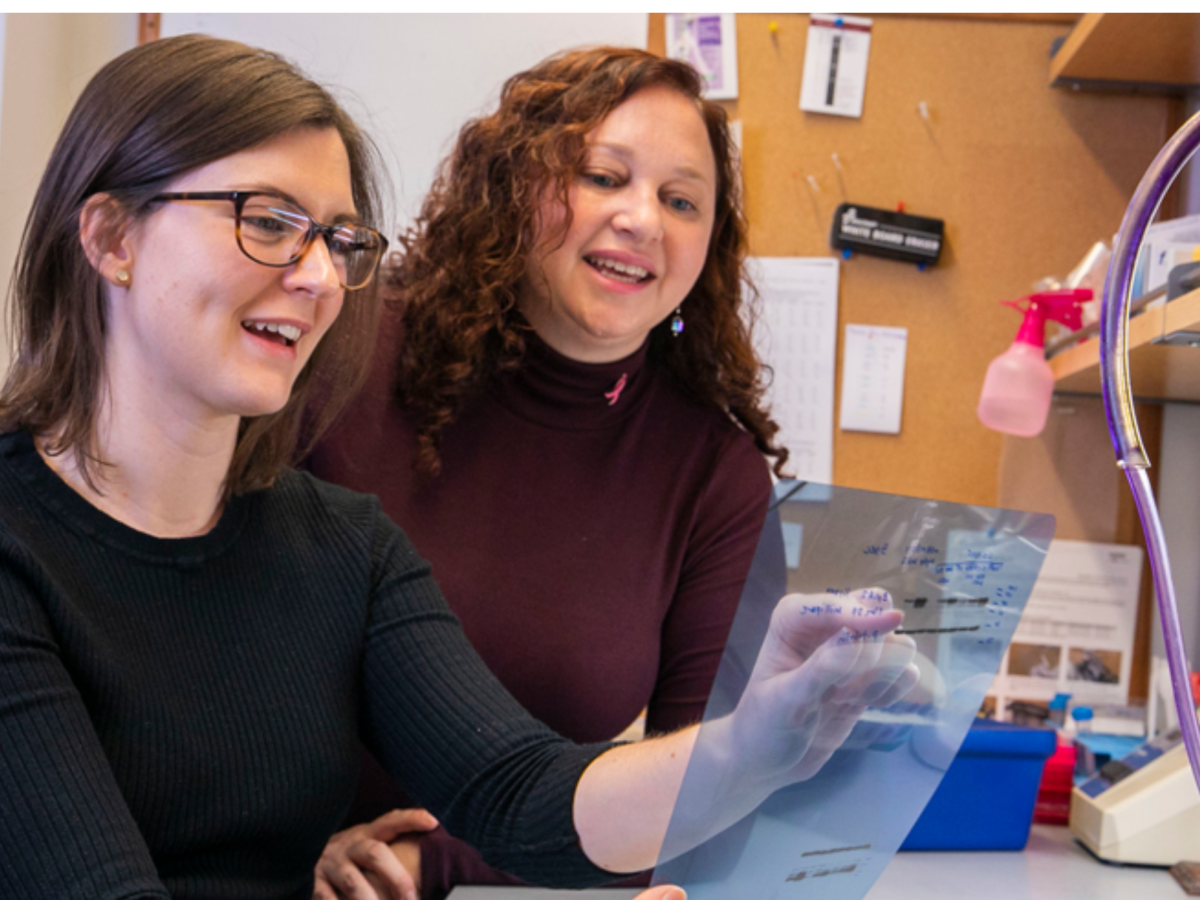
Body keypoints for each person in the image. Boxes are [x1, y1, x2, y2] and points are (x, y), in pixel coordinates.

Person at [0, 33, 917, 900]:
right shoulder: (29, 541)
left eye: (339, 241)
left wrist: (756, 743)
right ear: (112, 238)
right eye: (268, 221)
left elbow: (520, 790)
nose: (320, 278)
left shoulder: (345, 546)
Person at [305, 46, 786, 900]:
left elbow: (704, 805)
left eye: (682, 200)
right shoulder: (342, 356)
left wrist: (433, 863)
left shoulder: (715, 474)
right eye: (604, 177)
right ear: (513, 187)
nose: (644, 219)